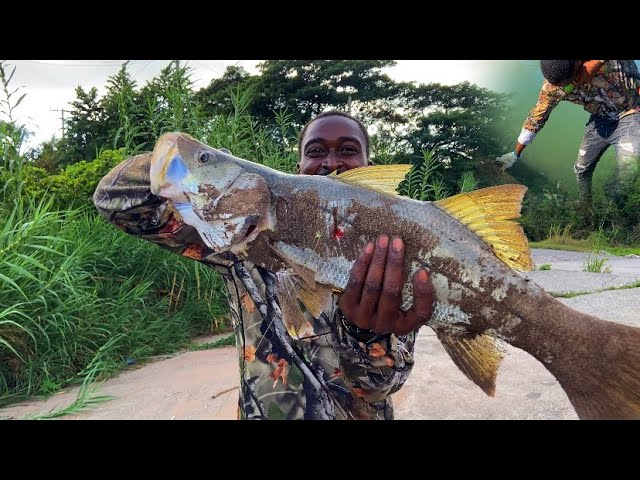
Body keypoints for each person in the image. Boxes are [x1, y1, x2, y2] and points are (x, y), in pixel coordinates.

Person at [93, 110, 433, 420]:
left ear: (370, 166)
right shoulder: (240, 244)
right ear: (298, 170)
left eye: (347, 150)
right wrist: (196, 166)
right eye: (315, 151)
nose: (331, 162)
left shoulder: (393, 255)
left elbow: (380, 387)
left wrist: (367, 336)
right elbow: (114, 199)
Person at [496, 60, 640, 210]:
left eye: (572, 80)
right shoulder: (553, 88)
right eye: (563, 86)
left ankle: (613, 210)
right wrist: (515, 154)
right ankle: (586, 207)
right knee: (581, 169)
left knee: (627, 175)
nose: (569, 87)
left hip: (631, 113)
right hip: (600, 119)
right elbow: (536, 118)